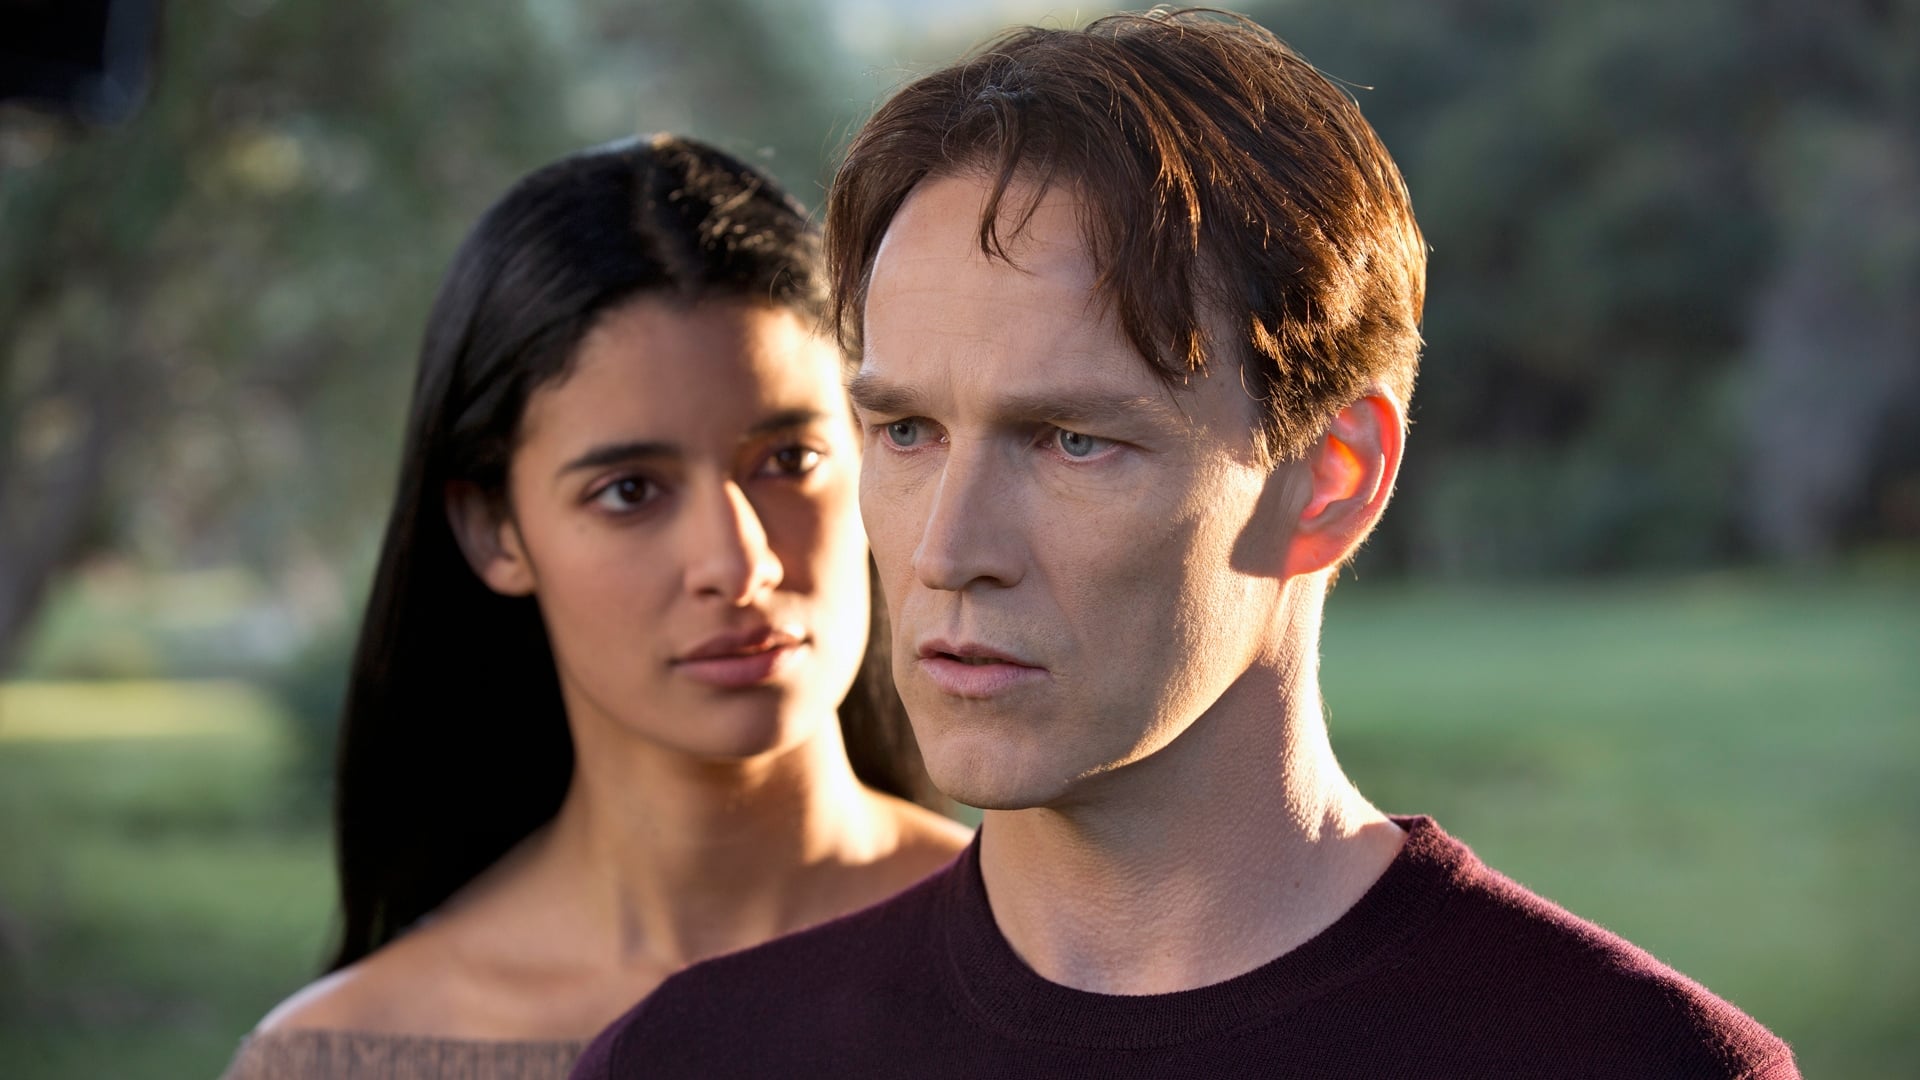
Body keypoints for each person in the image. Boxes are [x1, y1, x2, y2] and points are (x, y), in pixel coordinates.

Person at [573, 12, 1799, 1079]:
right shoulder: (693, 1058)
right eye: (906, 430)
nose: (949, 550)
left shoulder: (1640, 1066)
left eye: (1070, 440)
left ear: (1332, 477)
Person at [221, 135, 972, 1080]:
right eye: (629, 491)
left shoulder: (1071, 968)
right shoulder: (339, 1058)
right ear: (495, 529)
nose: (738, 563)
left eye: (790, 461)